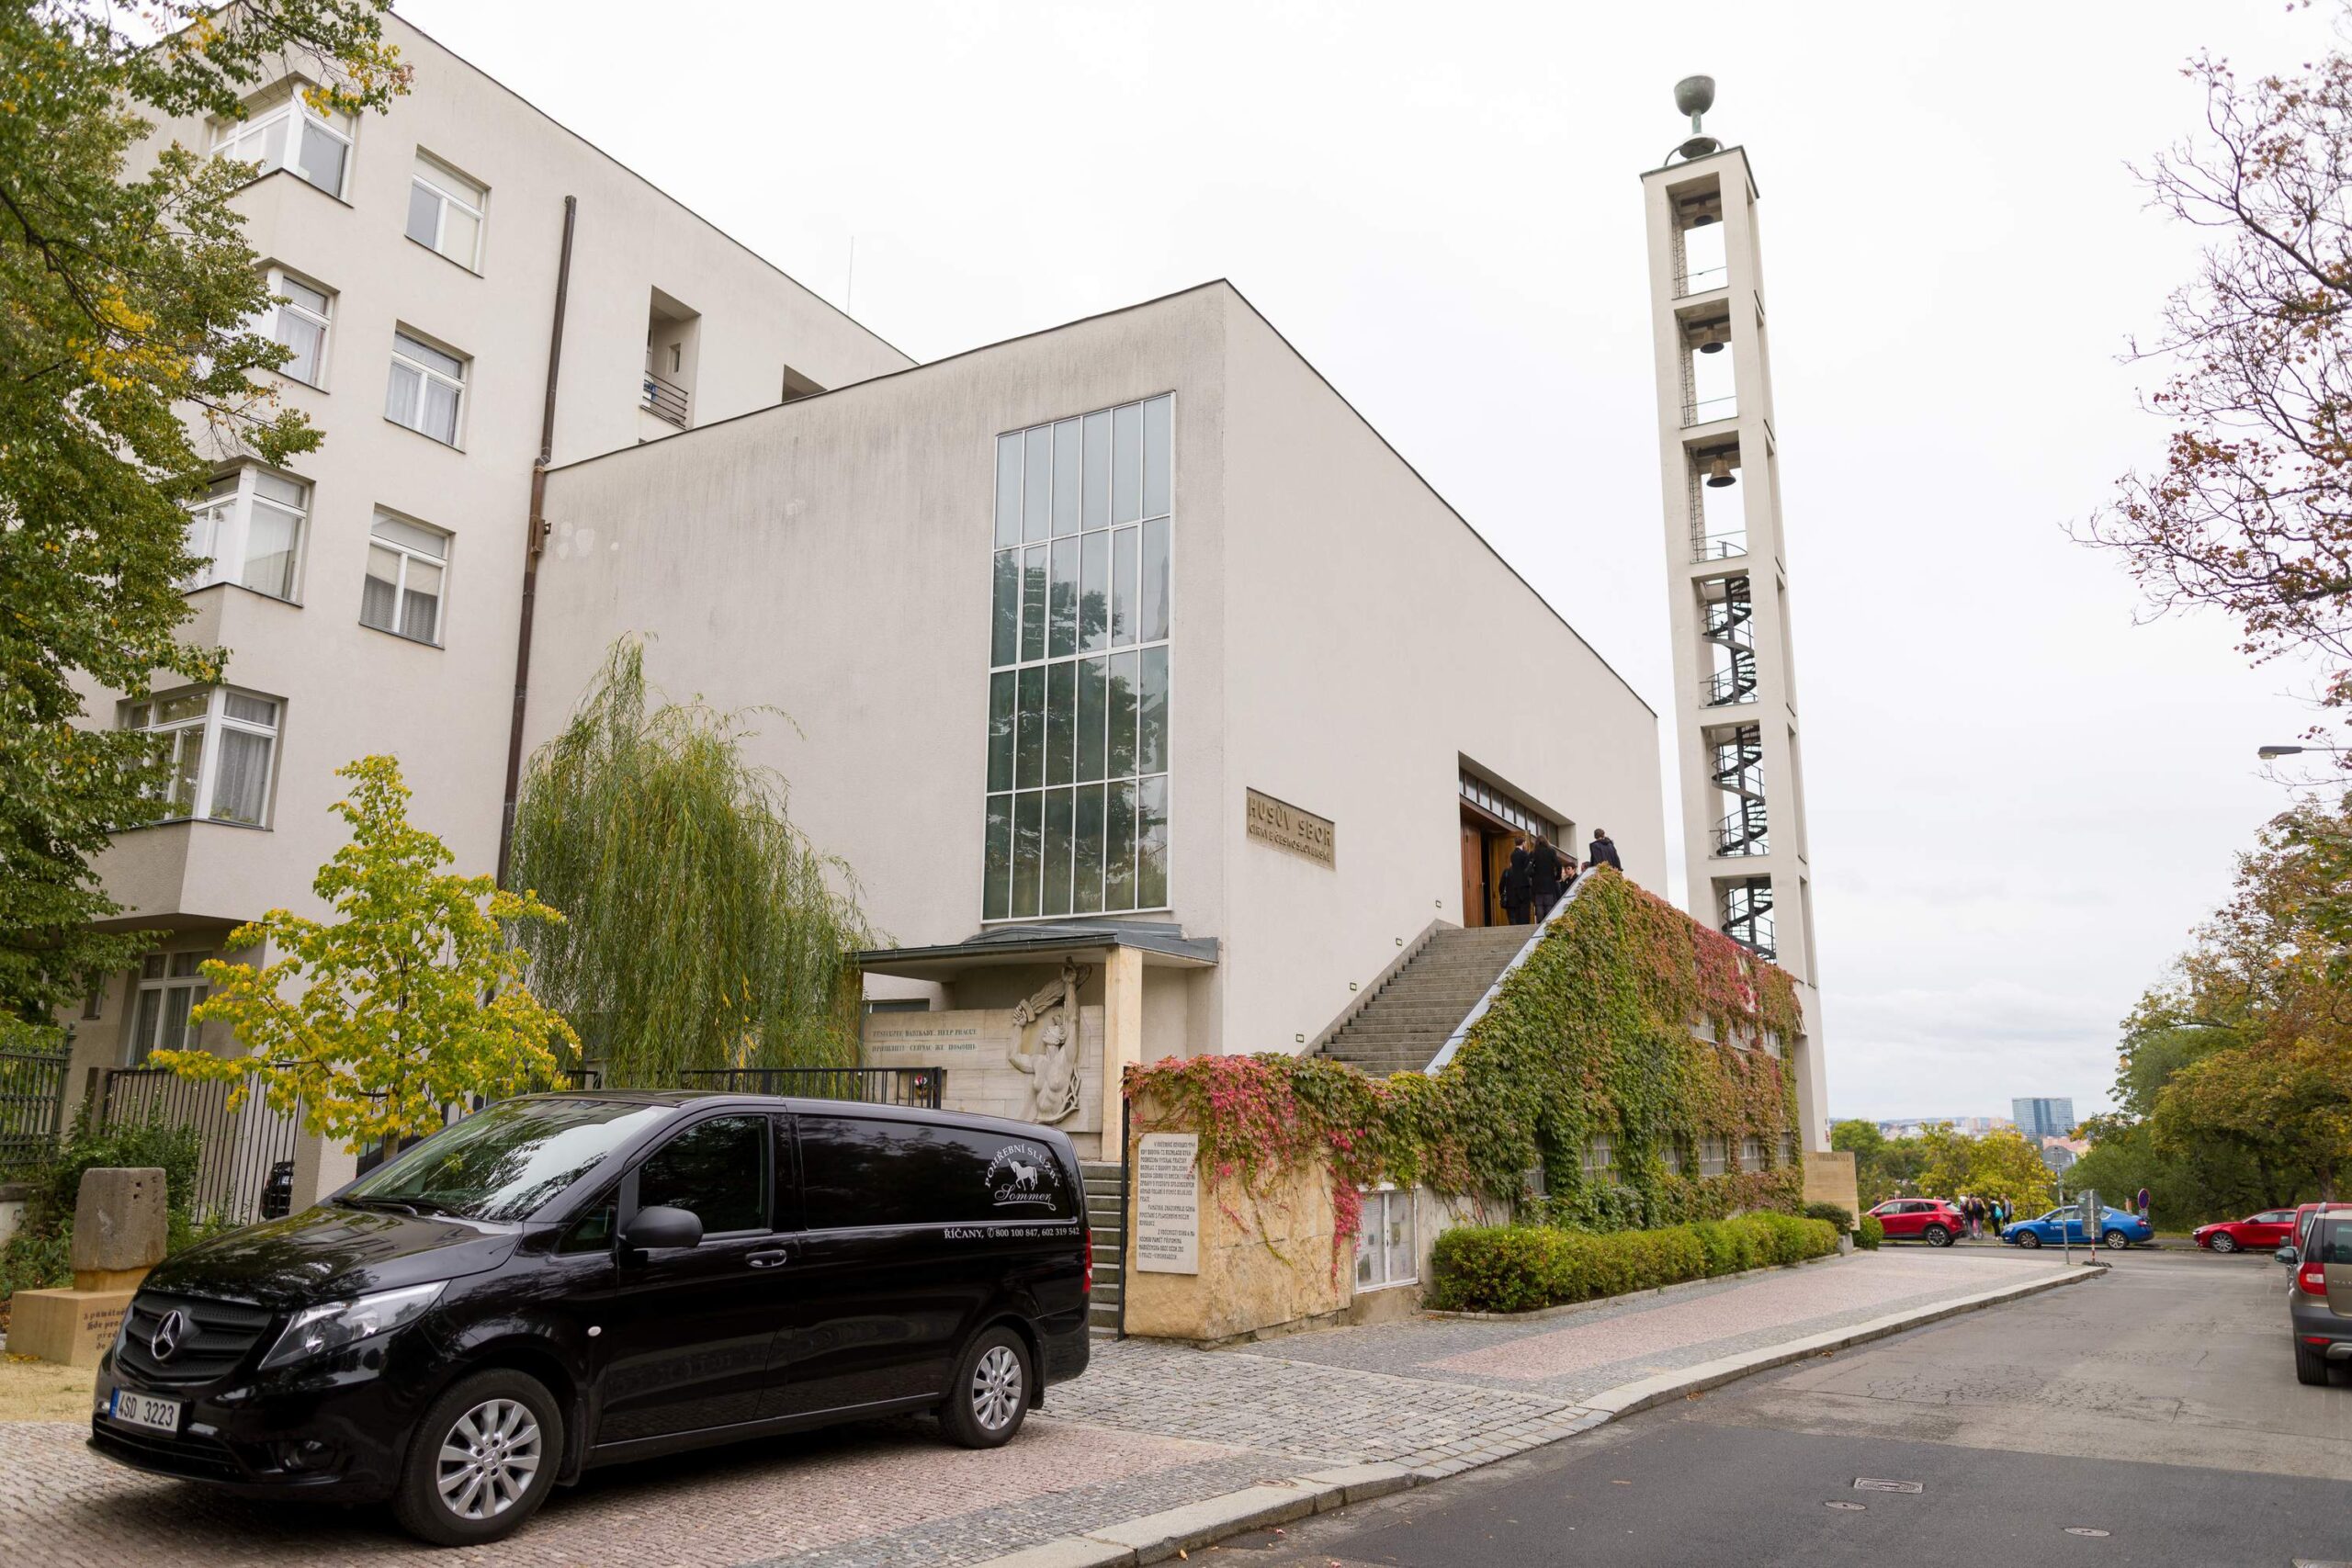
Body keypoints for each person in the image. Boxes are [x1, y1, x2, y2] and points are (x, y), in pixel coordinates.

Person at [1499, 838, 1532, 926]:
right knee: (1525, 908)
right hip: (1524, 884)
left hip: (1516, 886)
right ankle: (1524, 924)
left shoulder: (1513, 855)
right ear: (1523, 843)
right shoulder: (1524, 854)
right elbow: (1528, 868)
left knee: (1517, 910)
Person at [1529, 835, 1563, 916]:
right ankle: (1547, 921)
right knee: (1549, 905)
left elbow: (1528, 868)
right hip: (1549, 883)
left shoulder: (1533, 853)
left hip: (1537, 883)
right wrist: (1557, 877)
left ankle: (1540, 921)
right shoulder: (1551, 851)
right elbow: (1559, 865)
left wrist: (1533, 875)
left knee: (1539, 905)